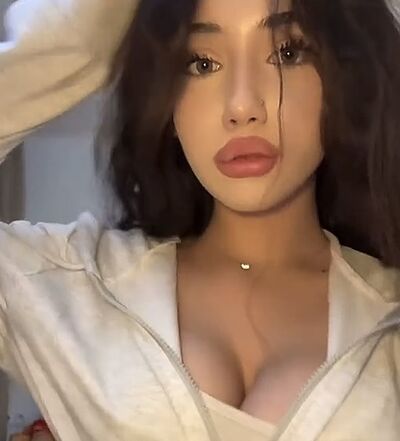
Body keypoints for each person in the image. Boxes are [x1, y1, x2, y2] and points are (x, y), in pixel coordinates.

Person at [2, 0, 400, 440]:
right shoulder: (68, 286)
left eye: (288, 53)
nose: (242, 106)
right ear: (166, 99)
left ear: (344, 82)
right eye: (202, 63)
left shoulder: (389, 314)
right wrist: (85, 41)